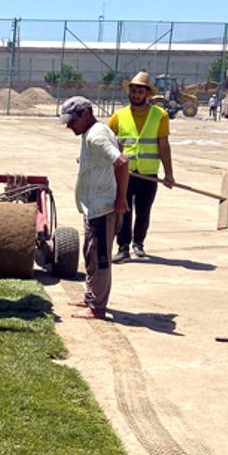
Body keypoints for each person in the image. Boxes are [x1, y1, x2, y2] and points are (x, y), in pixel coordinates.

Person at [59, 96, 129, 320]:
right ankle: (91, 297)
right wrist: (90, 162)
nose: (69, 126)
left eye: (72, 121)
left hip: (102, 208)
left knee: (100, 259)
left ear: (86, 114)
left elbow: (122, 162)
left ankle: (97, 307)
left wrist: (121, 199)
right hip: (93, 206)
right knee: (90, 254)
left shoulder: (96, 136)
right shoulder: (96, 131)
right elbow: (118, 147)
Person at [109, 71, 174, 262]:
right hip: (125, 173)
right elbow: (106, 141)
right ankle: (123, 248)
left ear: (147, 94)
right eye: (133, 91)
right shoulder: (119, 116)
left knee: (143, 211)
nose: (136, 95)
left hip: (148, 173)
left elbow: (164, 146)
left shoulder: (159, 115)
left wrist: (169, 174)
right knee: (123, 209)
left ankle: (138, 244)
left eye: (140, 92)